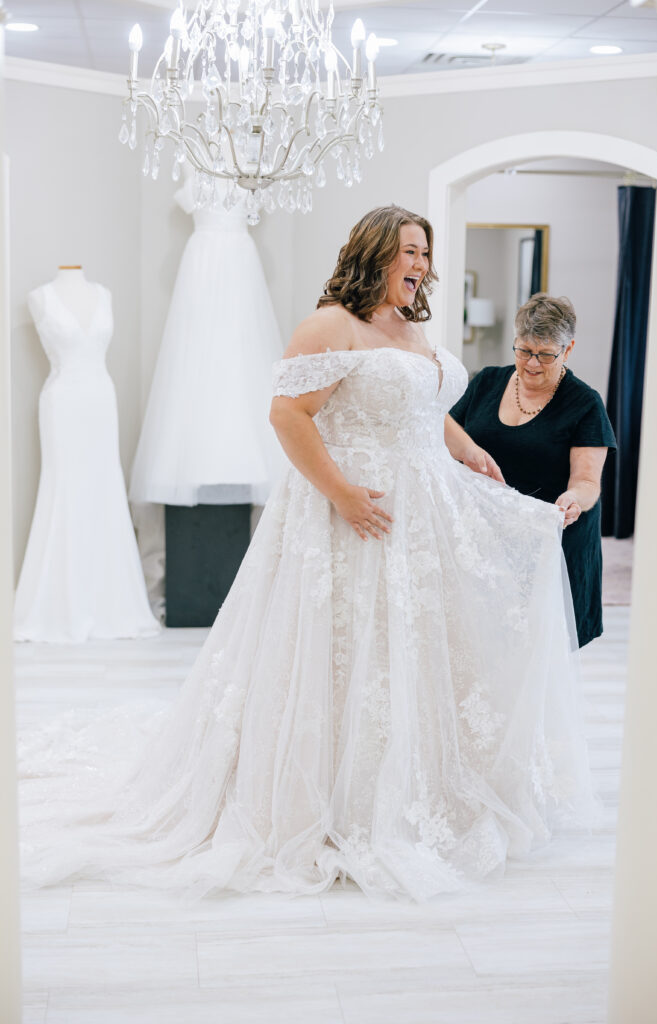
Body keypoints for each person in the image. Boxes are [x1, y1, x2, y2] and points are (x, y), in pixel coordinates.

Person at [19, 208, 597, 902]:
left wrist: (467, 448)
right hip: (352, 514)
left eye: (424, 252)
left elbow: (417, 406)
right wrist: (344, 495)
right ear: (376, 253)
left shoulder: (409, 324)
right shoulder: (330, 324)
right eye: (408, 250)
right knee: (343, 654)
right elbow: (287, 415)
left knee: (410, 655)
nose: (419, 262)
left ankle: (412, 788)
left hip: (422, 513)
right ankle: (324, 798)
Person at [450, 294, 616, 647]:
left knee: (538, 651)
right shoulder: (487, 382)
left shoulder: (585, 404)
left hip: (549, 544)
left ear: (567, 350)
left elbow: (587, 482)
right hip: (487, 539)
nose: (532, 364)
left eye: (545, 354)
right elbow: (447, 435)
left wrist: (572, 499)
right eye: (524, 351)